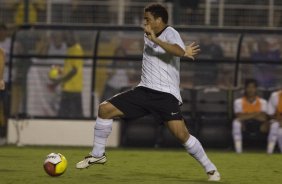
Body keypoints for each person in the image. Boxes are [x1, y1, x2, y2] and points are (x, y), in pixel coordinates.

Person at [76, 4, 220, 181]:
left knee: (182, 135)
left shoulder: (170, 32)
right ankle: (98, 154)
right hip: (144, 90)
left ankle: (210, 169)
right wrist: (164, 43)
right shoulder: (148, 34)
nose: (145, 22)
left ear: (159, 20)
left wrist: (167, 44)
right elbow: (179, 52)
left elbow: (177, 50)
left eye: (148, 19)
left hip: (166, 95)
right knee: (104, 109)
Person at [52, 31, 84, 118]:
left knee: (69, 116)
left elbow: (74, 70)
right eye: (66, 36)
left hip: (73, 89)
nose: (67, 39)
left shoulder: (77, 49)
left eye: (70, 36)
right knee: (66, 115)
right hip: (67, 88)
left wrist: (59, 81)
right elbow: (69, 69)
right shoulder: (69, 49)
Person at [232, 79, 268, 153]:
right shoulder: (238, 102)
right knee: (236, 123)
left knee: (274, 124)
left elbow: (263, 118)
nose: (250, 90)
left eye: (253, 87)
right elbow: (239, 117)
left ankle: (270, 152)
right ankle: (238, 151)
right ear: (245, 89)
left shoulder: (263, 102)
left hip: (259, 125)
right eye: (248, 87)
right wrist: (256, 114)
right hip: (244, 125)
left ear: (256, 89)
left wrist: (246, 115)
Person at [267, 89, 282, 154]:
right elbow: (270, 113)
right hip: (276, 120)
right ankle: (269, 151)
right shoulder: (275, 96)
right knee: (275, 127)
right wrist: (279, 120)